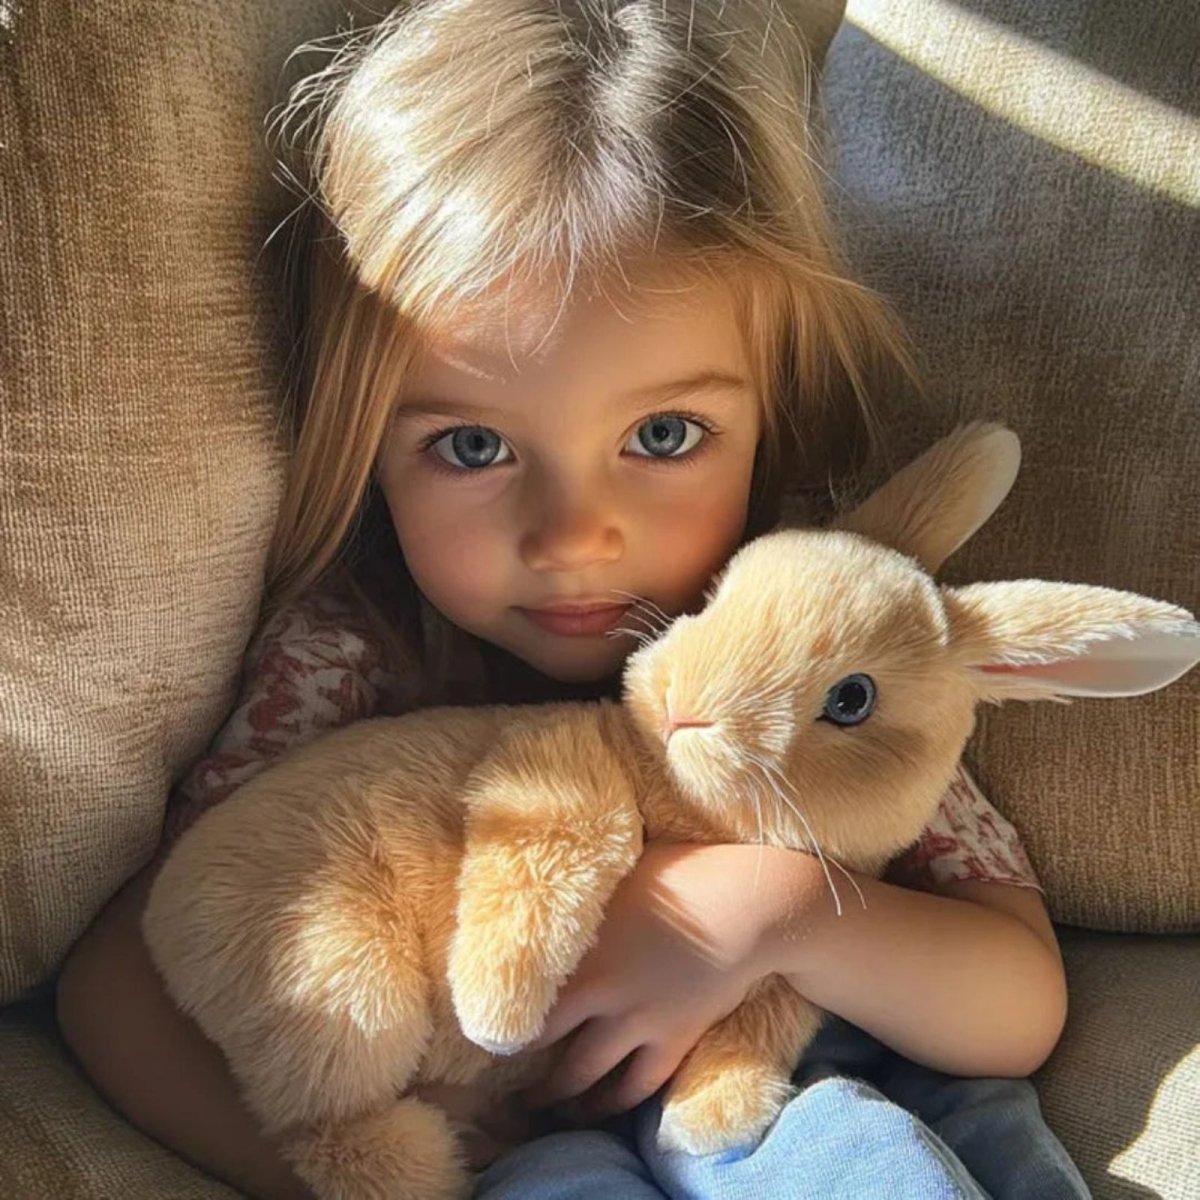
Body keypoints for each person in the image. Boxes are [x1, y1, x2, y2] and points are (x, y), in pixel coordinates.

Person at [55, 2, 1091, 1198]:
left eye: (663, 434)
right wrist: (367, 1170)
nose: (571, 536)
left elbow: (1017, 1003)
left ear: (772, 412)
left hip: (790, 1100)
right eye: (472, 448)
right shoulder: (357, 659)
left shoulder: (813, 651)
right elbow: (124, 980)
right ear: (363, 446)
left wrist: (778, 911)